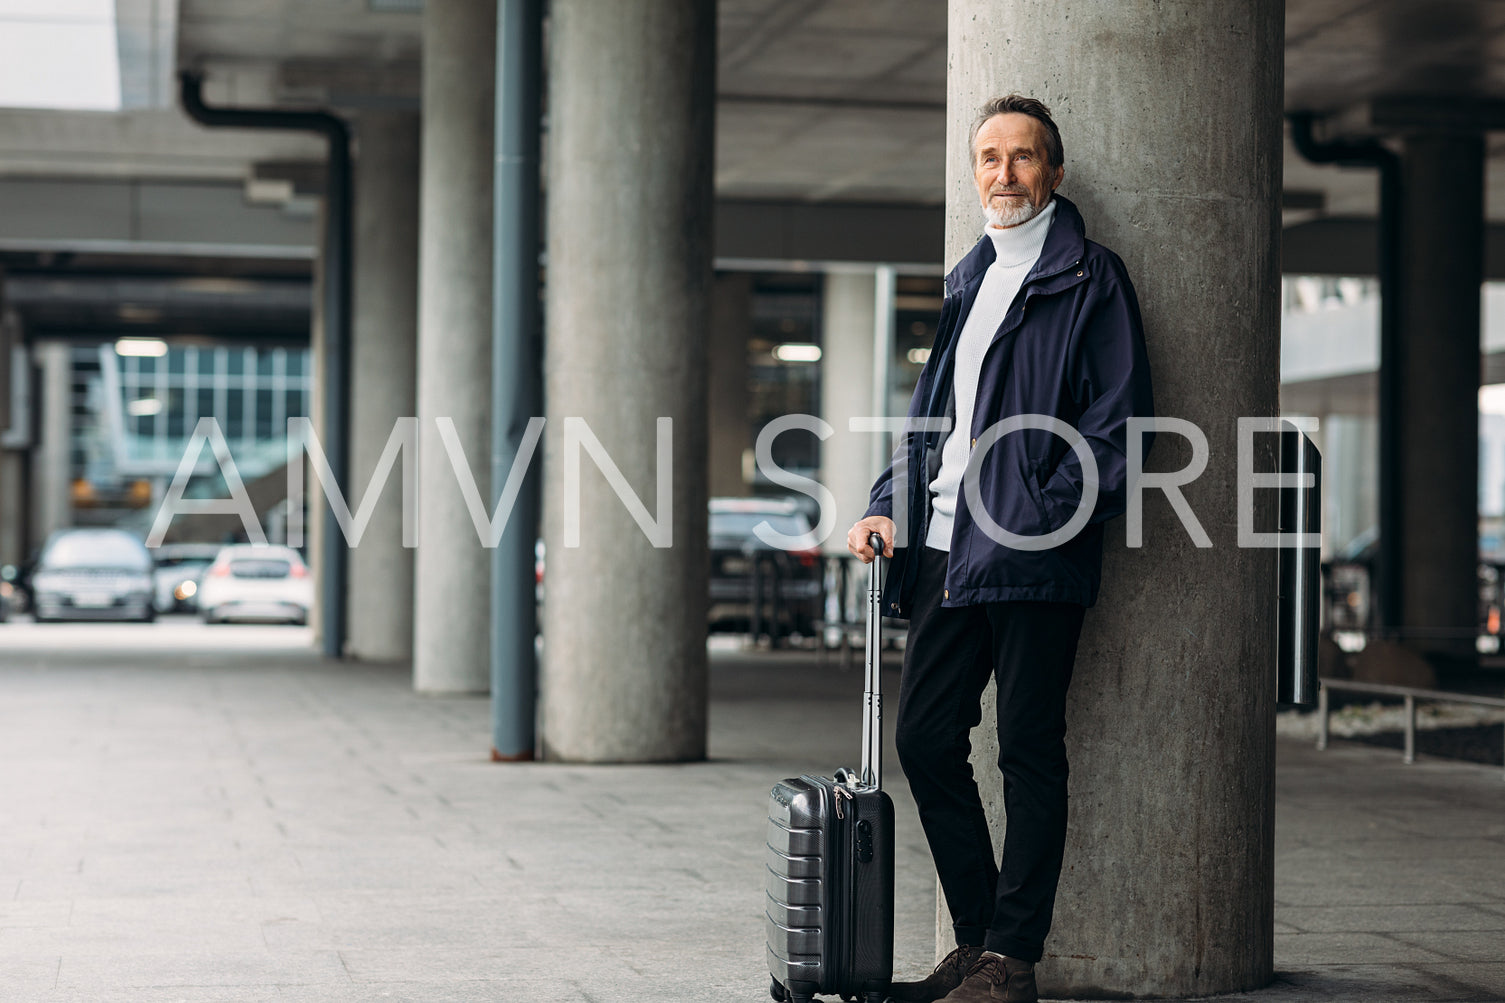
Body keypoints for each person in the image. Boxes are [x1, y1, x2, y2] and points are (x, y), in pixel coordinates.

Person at [845, 95, 1153, 1003]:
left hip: (1029, 553)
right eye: (989, 158)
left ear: (1052, 172)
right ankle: (978, 941)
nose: (1004, 175)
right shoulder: (966, 279)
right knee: (925, 738)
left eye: (1023, 158)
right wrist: (886, 502)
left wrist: (1041, 511)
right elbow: (932, 421)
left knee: (1026, 747)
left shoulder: (1091, 279)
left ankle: (1011, 958)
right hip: (944, 551)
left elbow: (1118, 426)